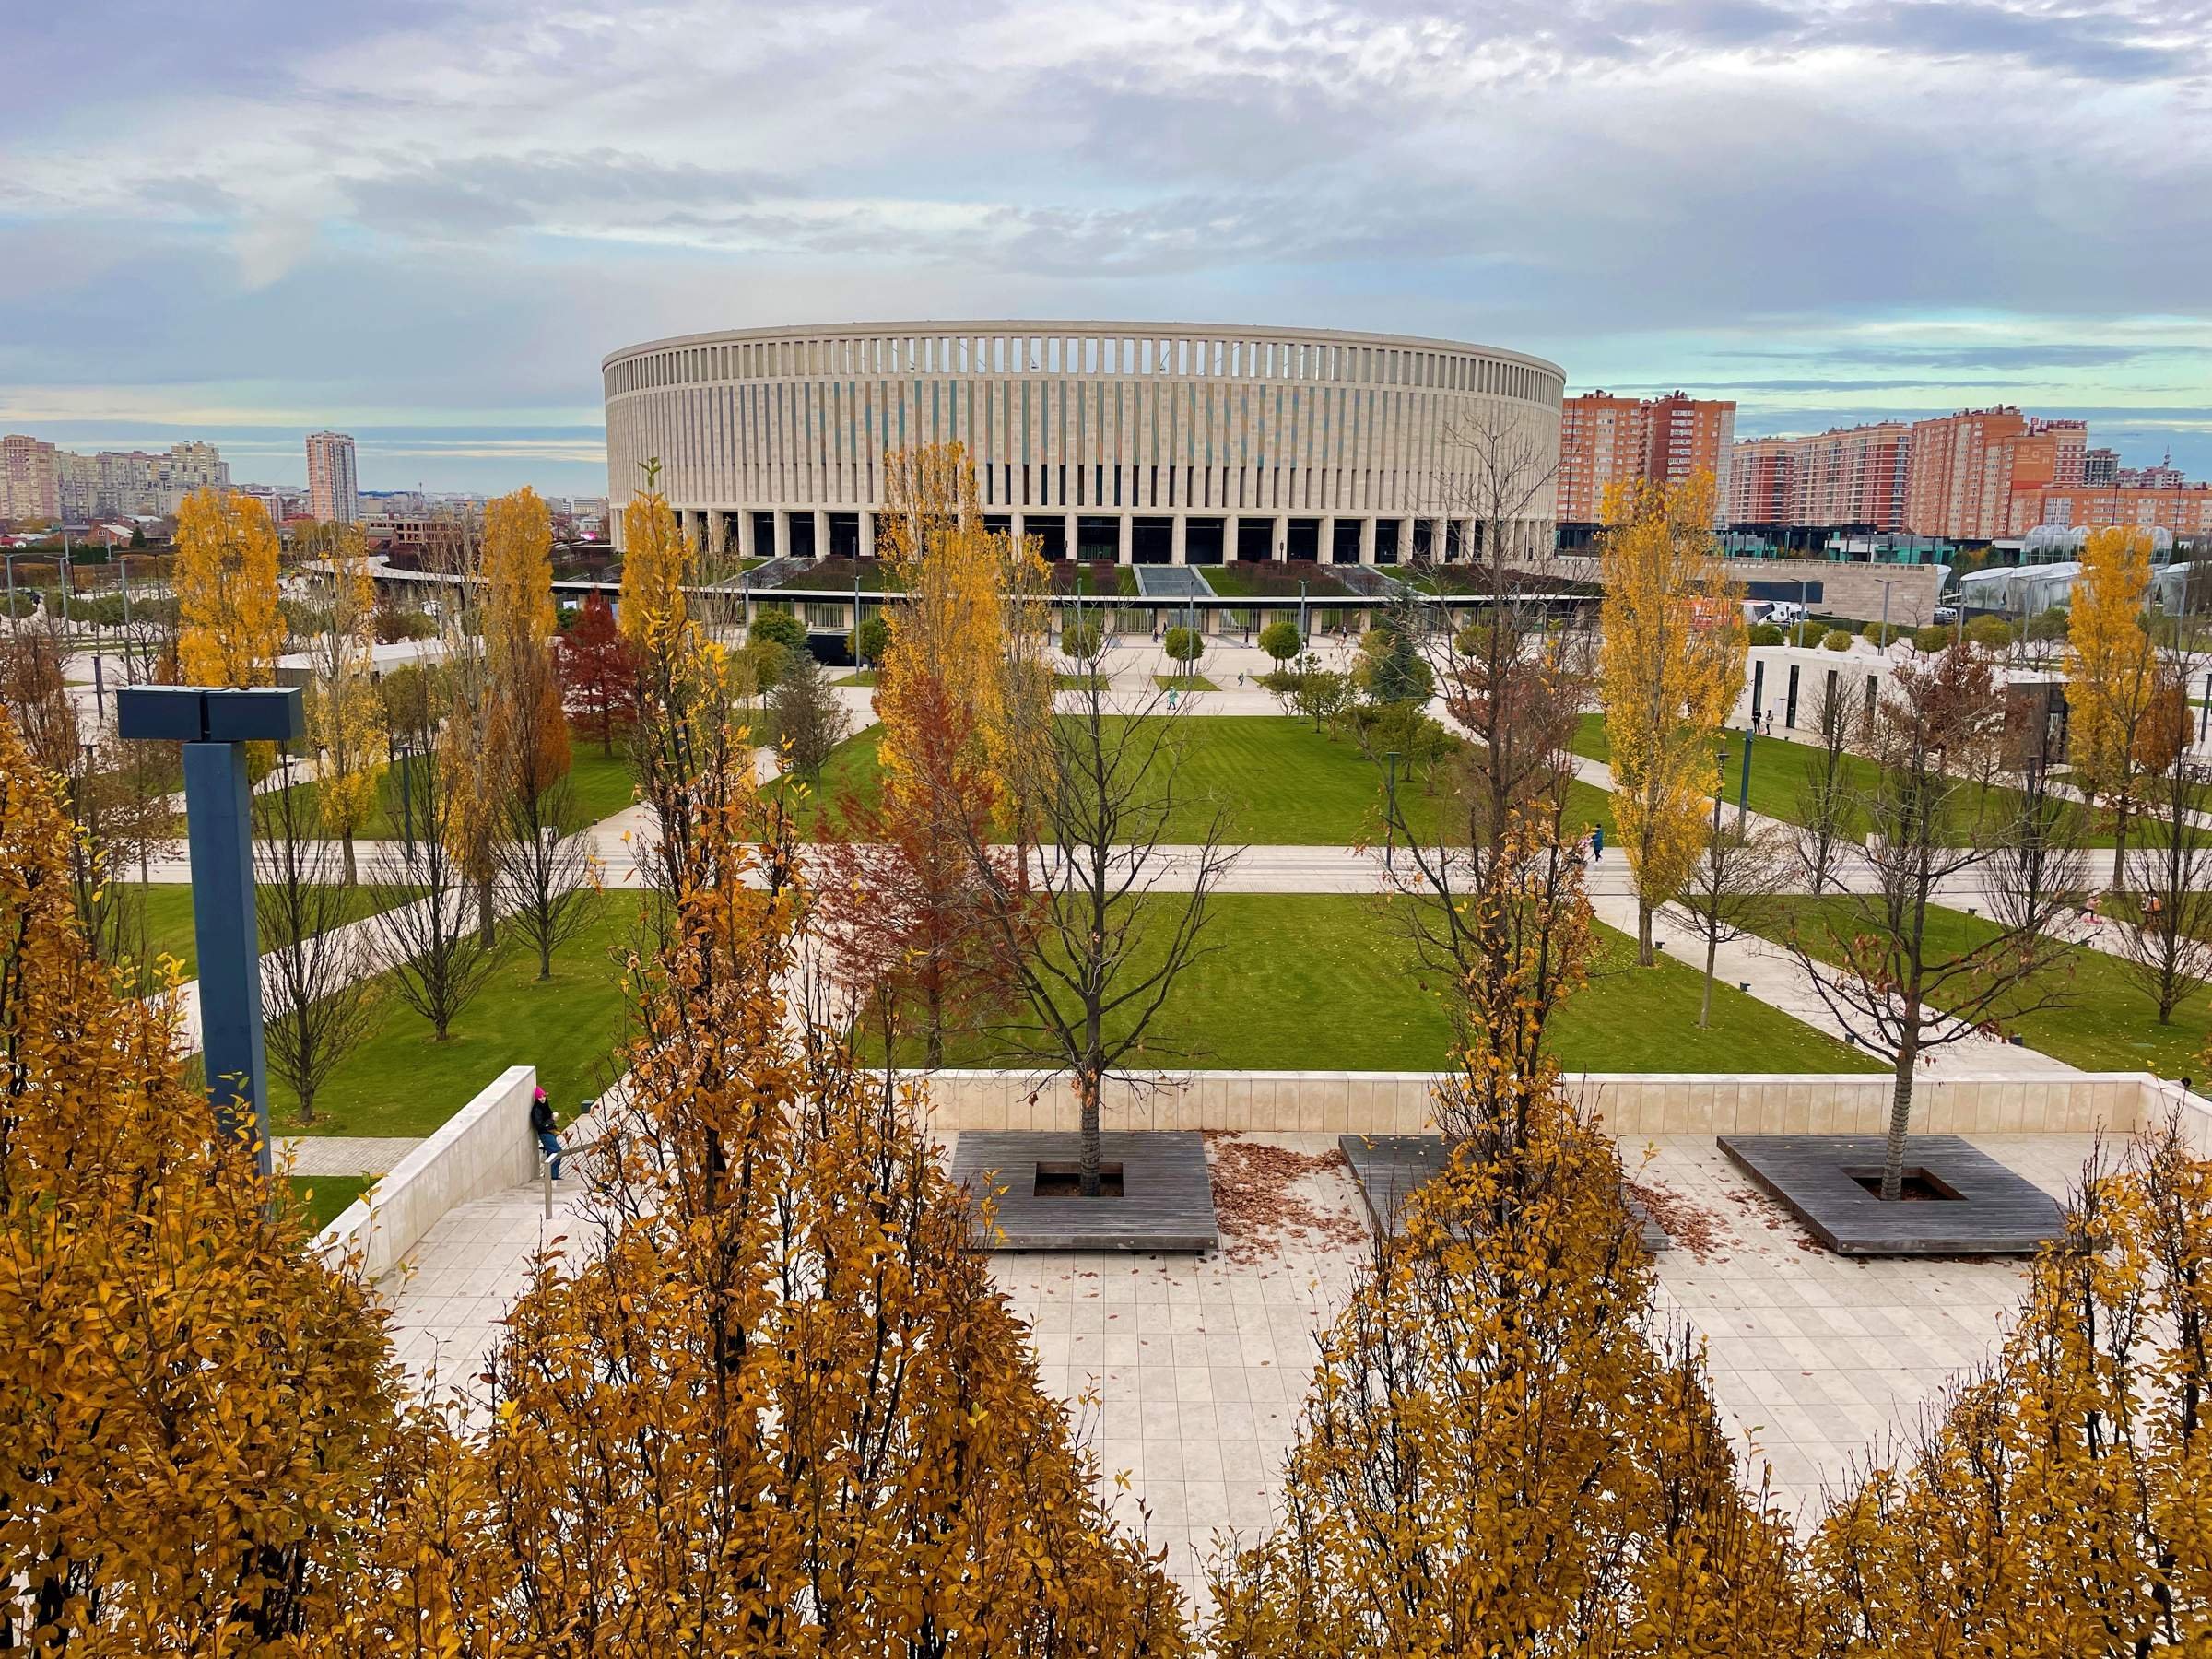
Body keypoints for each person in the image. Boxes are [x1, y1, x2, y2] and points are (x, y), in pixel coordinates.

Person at [530, 1085, 561, 1181]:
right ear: (537, 1098)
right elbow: (539, 1124)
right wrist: (551, 1120)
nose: (542, 1099)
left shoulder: (544, 1106)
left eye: (543, 1096)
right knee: (556, 1151)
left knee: (552, 1153)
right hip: (545, 1133)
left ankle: (550, 1175)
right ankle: (552, 1176)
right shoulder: (537, 1109)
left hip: (550, 1132)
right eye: (540, 1097)